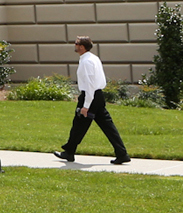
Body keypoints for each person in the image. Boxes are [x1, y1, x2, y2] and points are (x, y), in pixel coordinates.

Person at [54, 36, 130, 165]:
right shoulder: (93, 58)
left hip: (91, 96)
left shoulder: (87, 62)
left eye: (76, 43)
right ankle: (122, 153)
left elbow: (90, 84)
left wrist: (86, 105)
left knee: (79, 124)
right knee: (107, 126)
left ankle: (69, 152)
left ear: (82, 47)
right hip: (97, 96)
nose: (75, 45)